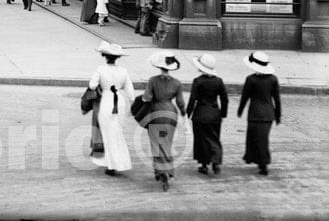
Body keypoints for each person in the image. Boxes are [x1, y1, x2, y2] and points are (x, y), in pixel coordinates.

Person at [88, 41, 135, 176]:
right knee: (117, 131)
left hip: (106, 100)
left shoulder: (100, 69)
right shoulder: (123, 71)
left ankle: (110, 163)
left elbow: (92, 85)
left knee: (107, 132)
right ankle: (119, 161)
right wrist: (132, 106)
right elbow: (130, 92)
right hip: (119, 101)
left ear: (104, 55)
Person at [142, 52, 186, 191]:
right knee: (167, 142)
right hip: (171, 114)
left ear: (159, 67)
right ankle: (168, 169)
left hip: (156, 113)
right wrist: (183, 113)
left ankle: (159, 170)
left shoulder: (153, 81)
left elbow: (147, 98)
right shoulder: (177, 83)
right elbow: (180, 102)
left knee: (156, 143)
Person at [237, 51, 281, 176]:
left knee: (254, 137)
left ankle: (261, 162)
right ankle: (262, 162)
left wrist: (240, 110)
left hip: (254, 113)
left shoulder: (251, 79)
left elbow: (245, 97)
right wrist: (278, 115)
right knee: (263, 138)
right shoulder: (273, 79)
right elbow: (276, 99)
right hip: (268, 114)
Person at [187, 53, 228, 175]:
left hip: (200, 113)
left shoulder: (198, 81)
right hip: (215, 114)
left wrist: (187, 114)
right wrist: (223, 114)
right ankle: (216, 162)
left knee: (201, 140)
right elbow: (225, 99)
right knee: (214, 138)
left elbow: (192, 99)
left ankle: (204, 164)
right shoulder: (219, 81)